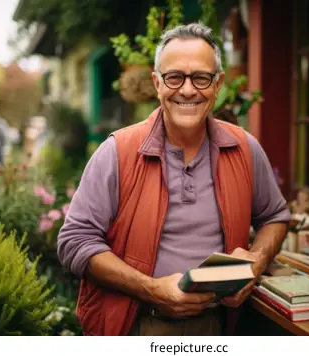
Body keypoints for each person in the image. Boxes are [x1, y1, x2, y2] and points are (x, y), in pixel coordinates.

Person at [57, 22, 290, 336]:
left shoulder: (245, 148)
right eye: (175, 77)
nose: (188, 89)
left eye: (201, 77)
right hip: (137, 325)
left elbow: (275, 216)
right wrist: (150, 289)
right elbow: (74, 241)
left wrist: (257, 260)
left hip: (222, 327)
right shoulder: (117, 152)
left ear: (218, 83)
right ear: (156, 82)